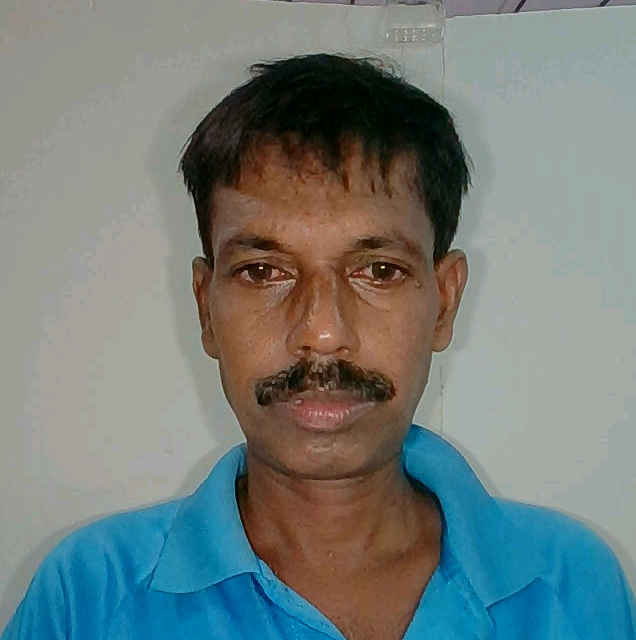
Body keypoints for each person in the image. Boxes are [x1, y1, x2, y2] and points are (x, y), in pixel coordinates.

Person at [2, 53, 635, 640]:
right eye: (263, 272)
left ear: (444, 301)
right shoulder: (87, 597)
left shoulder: (572, 586)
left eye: (379, 271)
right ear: (205, 307)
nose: (322, 332)